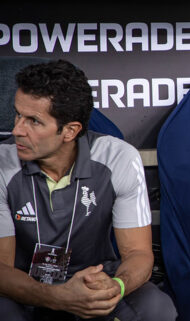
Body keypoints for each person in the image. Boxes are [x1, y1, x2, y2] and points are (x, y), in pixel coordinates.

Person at [0, 60, 177, 321]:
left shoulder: (118, 158)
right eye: (17, 114)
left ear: (70, 131)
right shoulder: (3, 163)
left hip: (95, 280)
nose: (16, 130)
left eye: (33, 122)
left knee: (156, 308)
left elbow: (139, 255)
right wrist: (57, 297)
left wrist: (116, 287)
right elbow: (2, 270)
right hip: (25, 288)